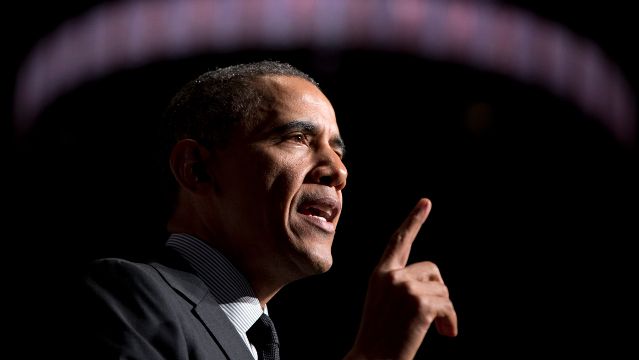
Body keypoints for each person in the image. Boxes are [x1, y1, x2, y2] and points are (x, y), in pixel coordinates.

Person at [80, 60, 458, 359]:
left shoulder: (255, 342)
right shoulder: (127, 297)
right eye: (297, 138)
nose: (338, 171)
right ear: (196, 168)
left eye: (337, 151)